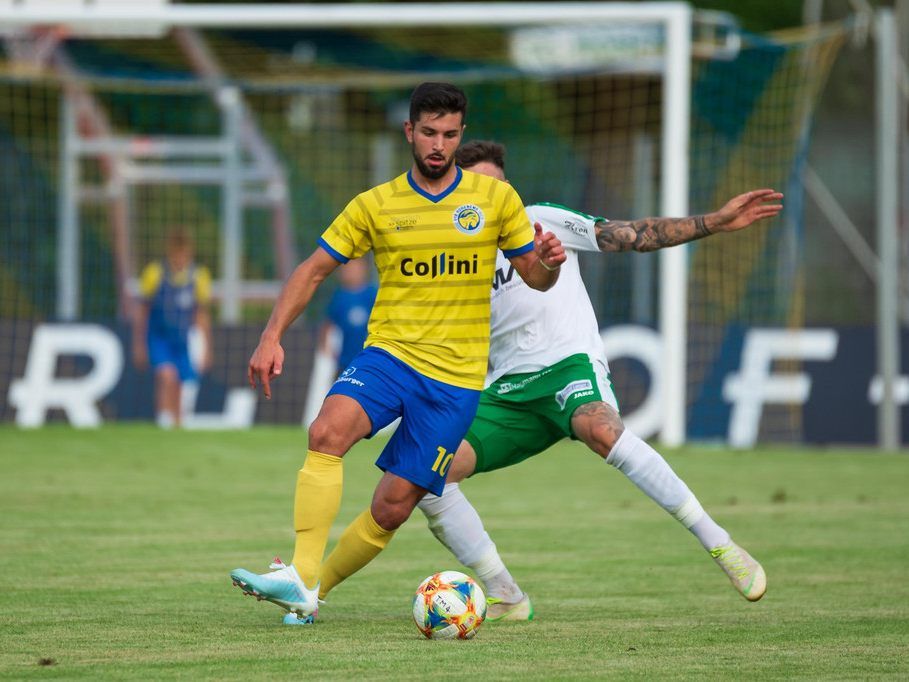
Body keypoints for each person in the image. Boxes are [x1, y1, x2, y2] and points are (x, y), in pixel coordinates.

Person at [230, 83, 566, 624]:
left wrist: (548, 262)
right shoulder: (376, 204)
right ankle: (299, 571)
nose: (438, 144)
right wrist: (271, 335)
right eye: (429, 132)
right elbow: (312, 271)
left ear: (461, 134)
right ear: (409, 131)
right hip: (391, 356)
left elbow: (536, 278)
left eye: (449, 134)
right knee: (326, 432)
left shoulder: (496, 200)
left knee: (391, 507)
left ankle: (311, 594)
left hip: (455, 383)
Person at [414, 140, 783, 621]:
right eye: (482, 188)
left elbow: (629, 235)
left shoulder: (541, 220)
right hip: (507, 392)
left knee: (601, 429)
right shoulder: (455, 255)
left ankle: (722, 545)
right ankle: (507, 596)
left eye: (501, 186)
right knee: (425, 475)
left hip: (568, 365)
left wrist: (713, 221)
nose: (496, 196)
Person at [132, 227, 212, 429]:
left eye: (184, 253)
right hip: (159, 337)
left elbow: (201, 315)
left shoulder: (199, 276)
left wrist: (206, 347)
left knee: (181, 384)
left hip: (182, 339)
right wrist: (139, 343)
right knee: (167, 376)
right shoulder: (155, 273)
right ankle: (163, 419)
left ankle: (176, 425)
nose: (180, 258)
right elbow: (142, 312)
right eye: (177, 253)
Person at [319, 258, 378, 376]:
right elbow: (328, 324)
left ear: (364, 270)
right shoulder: (339, 297)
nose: (351, 272)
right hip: (345, 361)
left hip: (370, 358)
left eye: (355, 269)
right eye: (348, 269)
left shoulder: (373, 293)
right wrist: (326, 348)